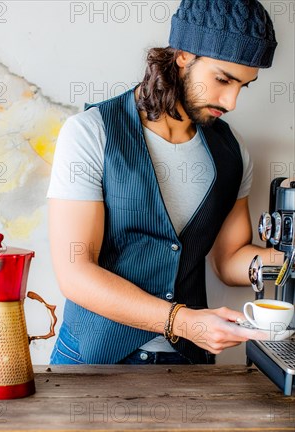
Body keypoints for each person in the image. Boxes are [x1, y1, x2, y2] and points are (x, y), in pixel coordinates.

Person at [47, 0, 283, 366]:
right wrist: (182, 321)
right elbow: (76, 272)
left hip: (188, 365)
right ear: (184, 55)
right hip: (94, 363)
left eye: (244, 86)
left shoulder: (233, 151)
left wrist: (289, 256)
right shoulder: (91, 133)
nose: (232, 101)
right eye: (223, 79)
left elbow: (229, 260)